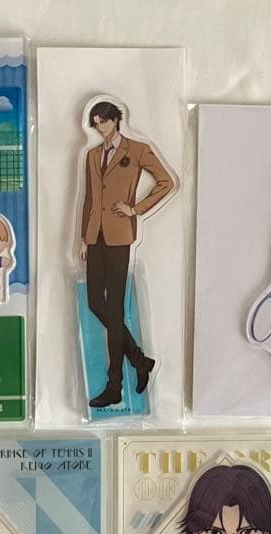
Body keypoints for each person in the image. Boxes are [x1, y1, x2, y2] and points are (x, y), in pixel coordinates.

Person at [79, 100, 176, 408]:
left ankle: (115, 386)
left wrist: (136, 209)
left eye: (104, 122)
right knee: (95, 302)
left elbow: (166, 182)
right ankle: (138, 359)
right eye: (96, 123)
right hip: (95, 236)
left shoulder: (137, 150)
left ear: (116, 120)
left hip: (119, 236)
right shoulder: (92, 155)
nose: (101, 128)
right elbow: (90, 199)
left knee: (115, 308)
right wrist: (84, 238)